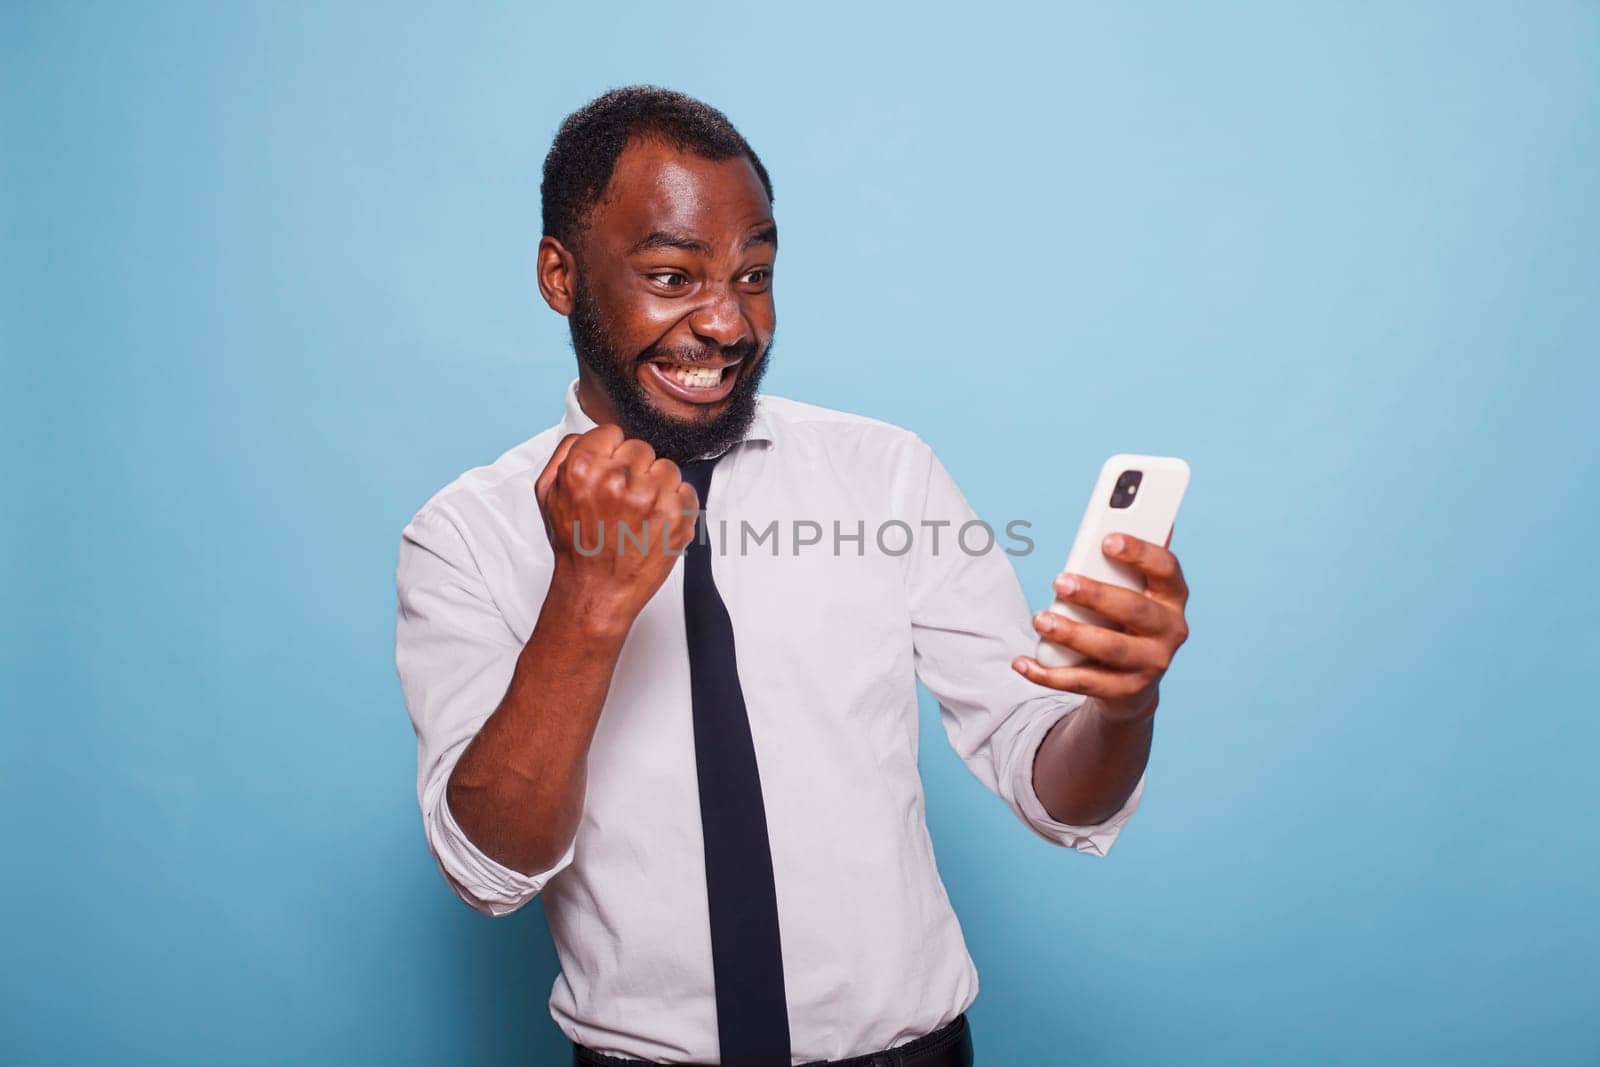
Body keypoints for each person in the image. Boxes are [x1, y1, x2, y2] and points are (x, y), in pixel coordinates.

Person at [394, 86, 1191, 1067]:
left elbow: (1052, 785)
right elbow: (489, 865)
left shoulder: (885, 472)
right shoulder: (463, 535)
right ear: (561, 274)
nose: (727, 323)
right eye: (672, 275)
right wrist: (585, 604)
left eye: (754, 273)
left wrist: (1122, 706)